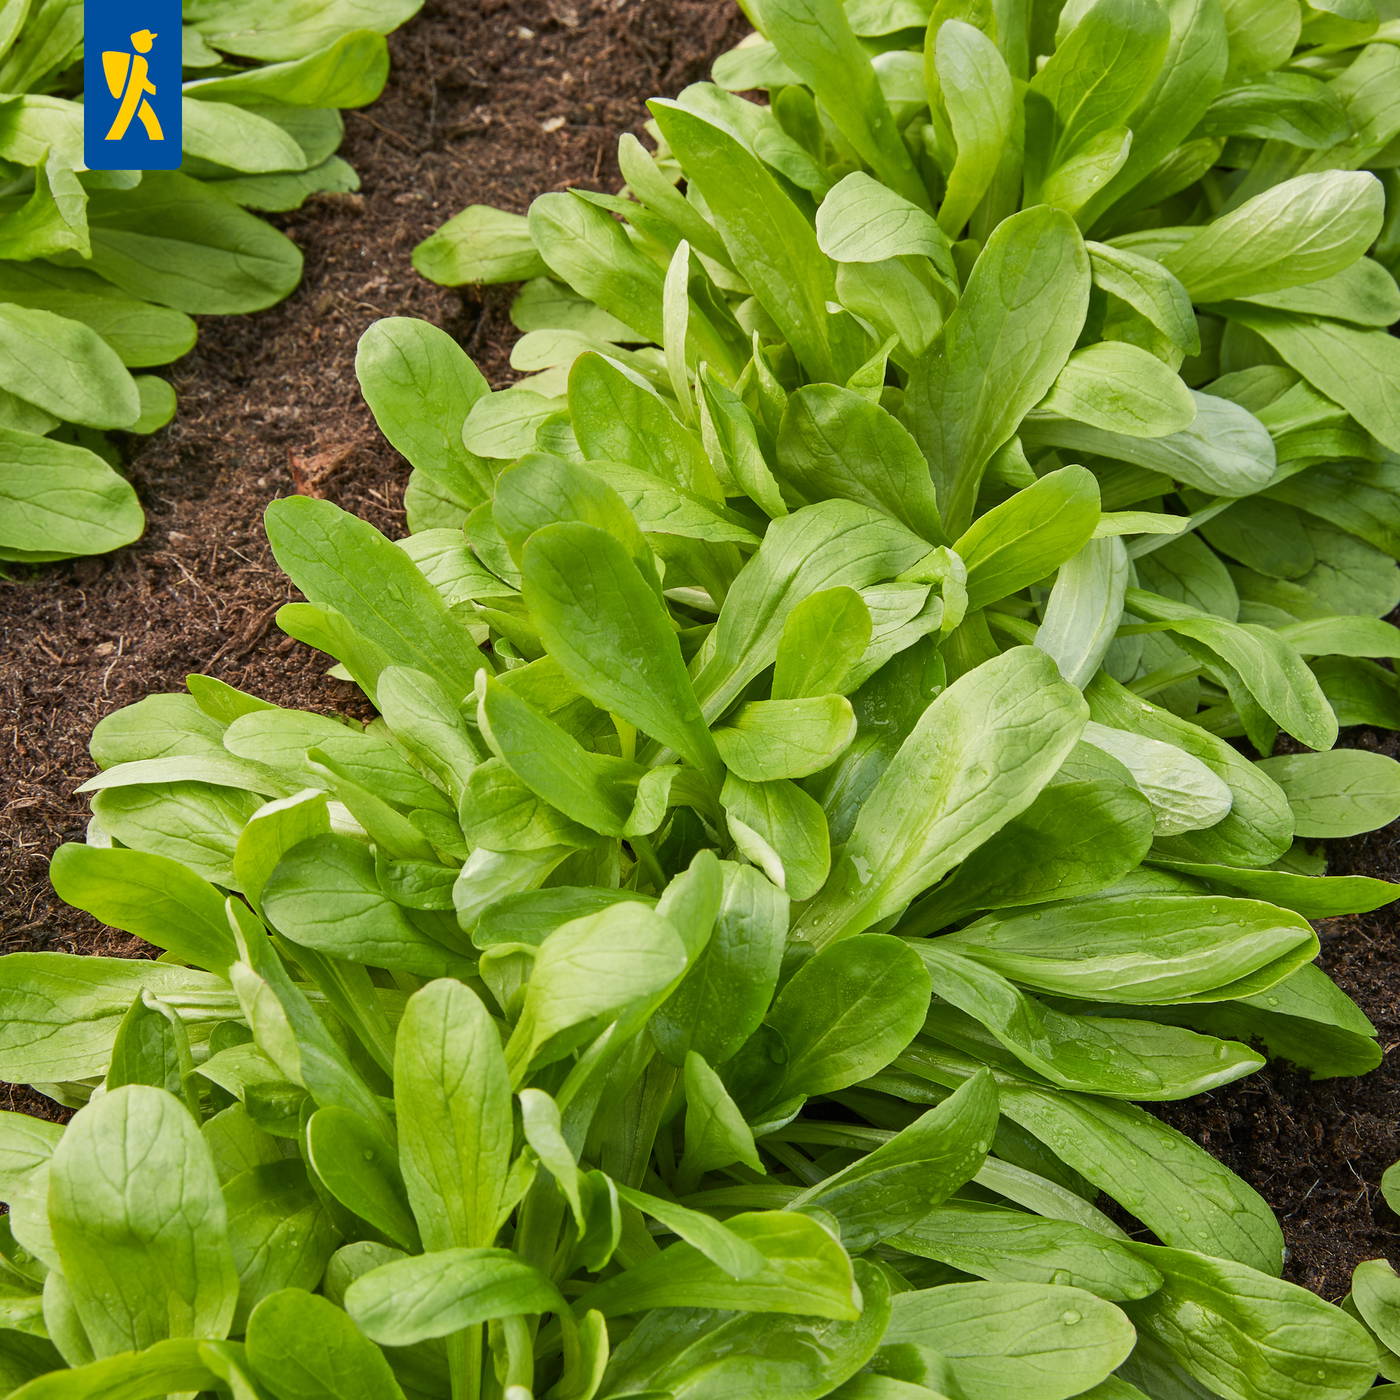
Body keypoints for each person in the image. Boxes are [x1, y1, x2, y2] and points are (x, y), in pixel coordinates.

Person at [102, 29, 163, 142]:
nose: (151, 44)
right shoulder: (137, 61)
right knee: (124, 122)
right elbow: (143, 83)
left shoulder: (120, 57)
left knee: (148, 121)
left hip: (132, 94)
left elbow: (145, 83)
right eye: (148, 41)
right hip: (131, 95)